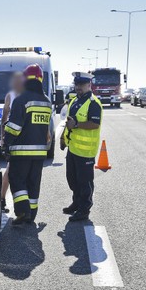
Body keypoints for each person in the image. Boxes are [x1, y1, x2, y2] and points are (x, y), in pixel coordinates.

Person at [3, 64, 51, 225]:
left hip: (21, 151)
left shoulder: (21, 99)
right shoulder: (46, 101)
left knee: (17, 180)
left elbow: (14, 127)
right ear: (40, 80)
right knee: (33, 183)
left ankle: (23, 213)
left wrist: (6, 144)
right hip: (39, 153)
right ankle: (31, 213)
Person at [61, 74, 102, 222]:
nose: (78, 87)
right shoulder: (75, 101)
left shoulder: (93, 103)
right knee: (72, 179)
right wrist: (62, 138)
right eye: (76, 84)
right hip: (72, 148)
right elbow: (69, 122)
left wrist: (77, 125)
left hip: (85, 151)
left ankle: (84, 209)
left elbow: (95, 123)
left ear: (89, 85)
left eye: (82, 84)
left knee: (85, 182)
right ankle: (76, 202)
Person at [0, 72, 25, 213]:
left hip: (25, 139)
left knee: (18, 172)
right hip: (14, 139)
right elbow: (4, 118)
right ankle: (2, 199)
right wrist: (3, 138)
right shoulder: (11, 95)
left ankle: (20, 204)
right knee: (10, 172)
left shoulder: (29, 95)